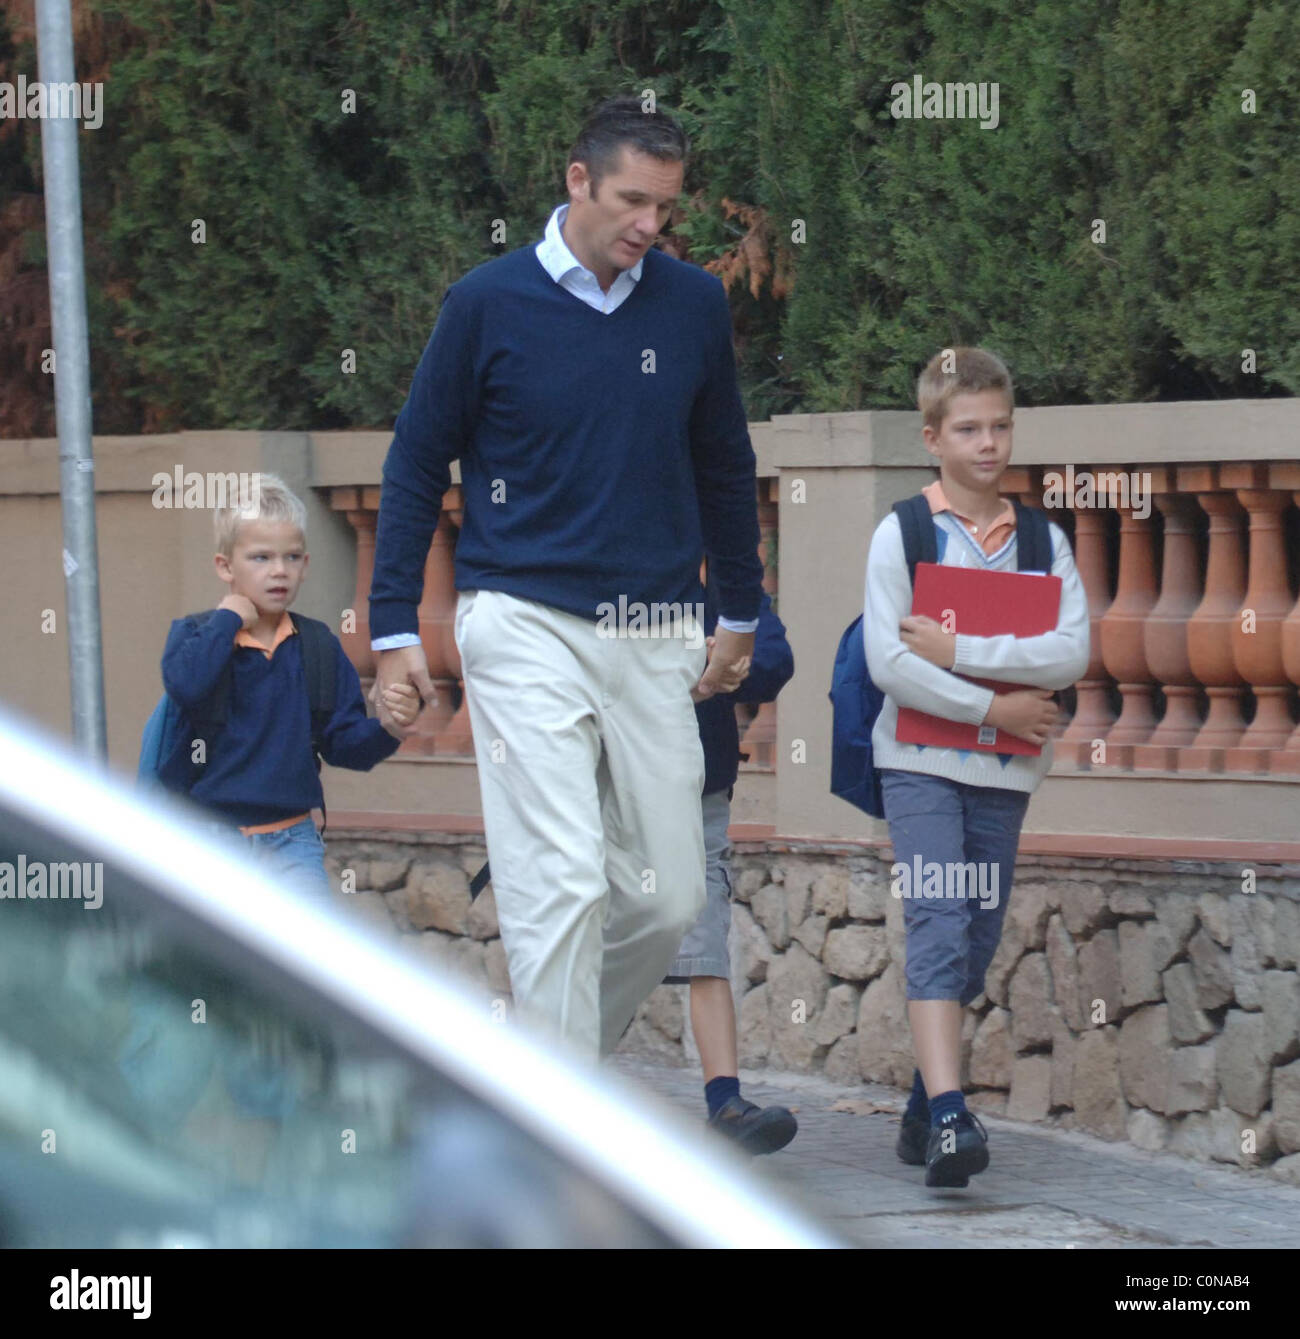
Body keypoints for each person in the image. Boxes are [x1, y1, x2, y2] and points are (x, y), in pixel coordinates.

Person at [367, 95, 765, 1060]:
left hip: (656, 629)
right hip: (521, 617)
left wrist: (742, 610)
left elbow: (724, 461)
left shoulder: (691, 305)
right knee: (562, 882)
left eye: (665, 209)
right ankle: (563, 1143)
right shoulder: (486, 303)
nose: (650, 227)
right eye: (633, 201)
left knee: (670, 895)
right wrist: (391, 630)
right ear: (577, 180)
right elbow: (418, 462)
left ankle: (549, 1072)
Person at [863, 347, 1090, 1186]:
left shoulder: (1042, 538)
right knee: (938, 918)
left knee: (979, 933)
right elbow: (891, 666)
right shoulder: (905, 531)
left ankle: (927, 1100)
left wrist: (959, 647)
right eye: (968, 428)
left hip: (1004, 772)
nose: (988, 443)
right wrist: (994, 700)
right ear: (933, 437)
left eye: (999, 425)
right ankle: (954, 1117)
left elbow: (1069, 650)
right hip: (918, 760)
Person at [159, 473, 419, 899]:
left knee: (304, 954)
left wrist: (389, 729)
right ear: (225, 566)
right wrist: (227, 620)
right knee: (218, 965)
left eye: (292, 557)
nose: (279, 571)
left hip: (292, 844)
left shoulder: (317, 646)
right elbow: (187, 685)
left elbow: (344, 746)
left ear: (305, 565)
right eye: (260, 558)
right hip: (207, 843)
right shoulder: (196, 635)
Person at [663, 581, 798, 1154]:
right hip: (608, 790)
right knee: (600, 949)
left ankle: (726, 1103)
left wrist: (714, 662)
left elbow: (772, 659)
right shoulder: (610, 565)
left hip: (701, 791)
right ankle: (561, 1096)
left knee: (706, 947)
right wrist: (706, 658)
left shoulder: (722, 583)